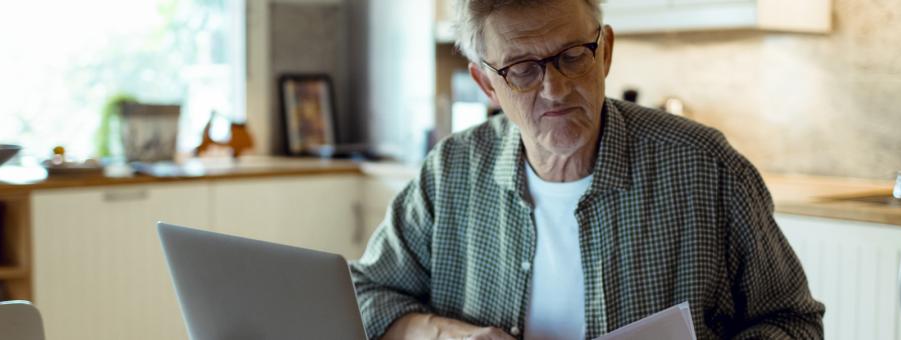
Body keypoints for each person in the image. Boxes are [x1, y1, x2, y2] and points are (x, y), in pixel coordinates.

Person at [350, 0, 825, 339]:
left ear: (606, 51)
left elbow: (793, 323)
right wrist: (449, 336)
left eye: (572, 56)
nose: (554, 89)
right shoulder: (451, 172)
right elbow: (366, 297)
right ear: (486, 84)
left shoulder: (707, 168)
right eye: (522, 69)